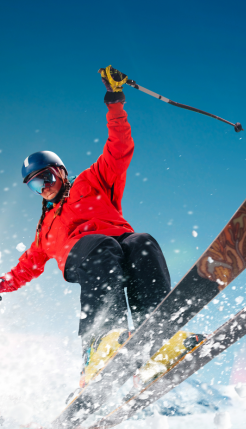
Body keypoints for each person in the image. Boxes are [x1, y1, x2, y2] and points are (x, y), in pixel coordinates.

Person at [0, 66, 172, 389]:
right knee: (101, 247)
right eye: (35, 187)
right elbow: (25, 268)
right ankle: (100, 344)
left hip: (119, 241)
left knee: (143, 242)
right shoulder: (45, 230)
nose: (44, 188)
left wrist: (115, 102)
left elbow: (119, 149)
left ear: (61, 172)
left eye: (47, 178)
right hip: (87, 255)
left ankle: (158, 337)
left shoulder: (92, 180)